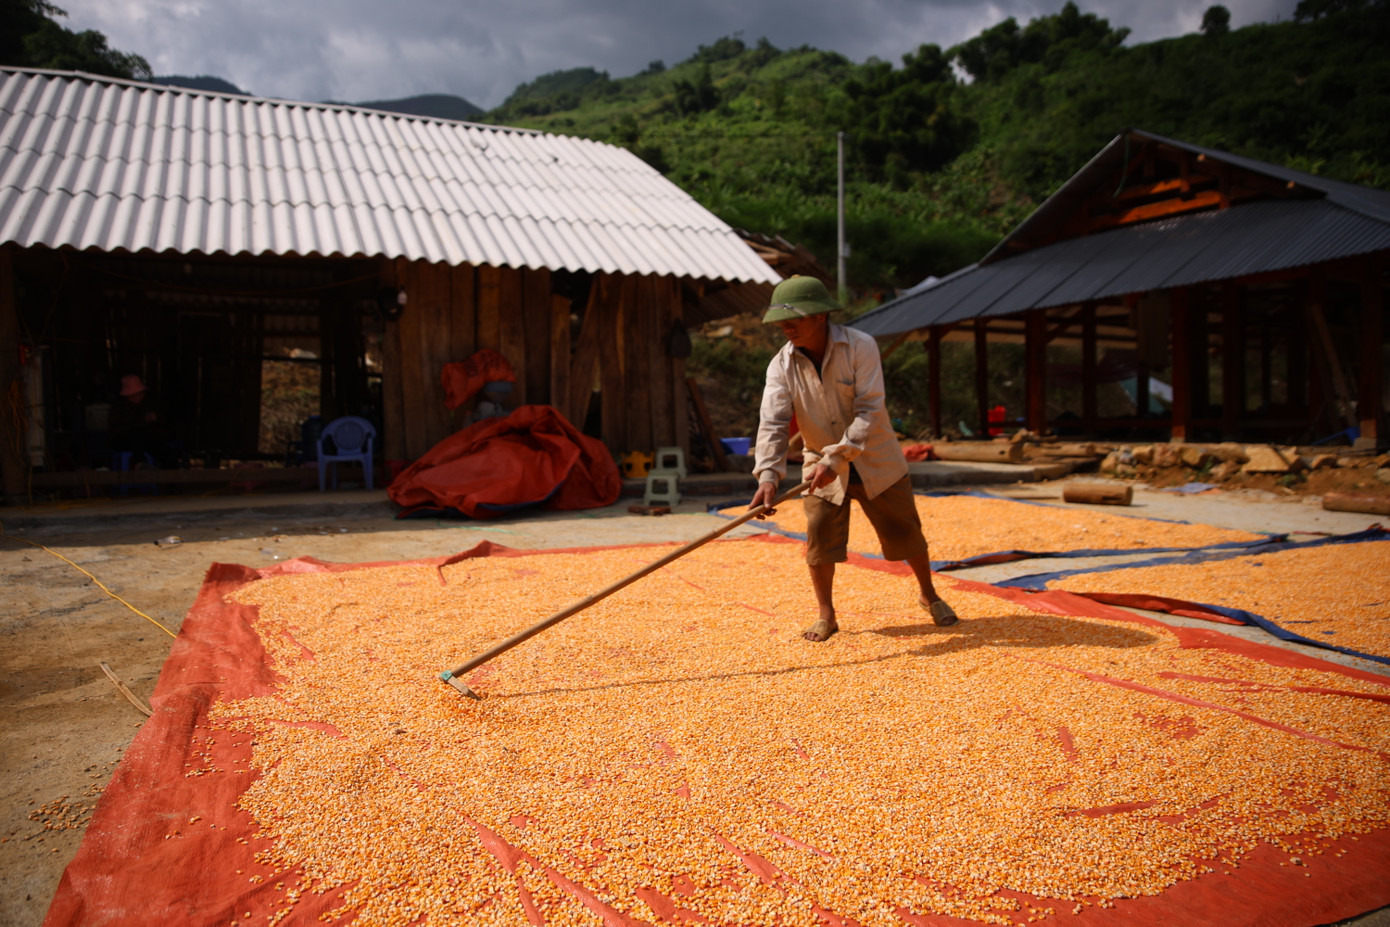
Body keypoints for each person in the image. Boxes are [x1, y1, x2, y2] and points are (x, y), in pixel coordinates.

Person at [747, 276, 956, 642]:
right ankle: (826, 615)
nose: (786, 328)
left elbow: (870, 408)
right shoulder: (781, 365)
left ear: (822, 315)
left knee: (905, 531)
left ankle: (929, 594)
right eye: (782, 322)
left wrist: (839, 457)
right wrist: (768, 476)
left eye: (794, 319)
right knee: (820, 538)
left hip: (876, 457)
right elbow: (774, 422)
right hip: (819, 464)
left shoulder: (860, 346)